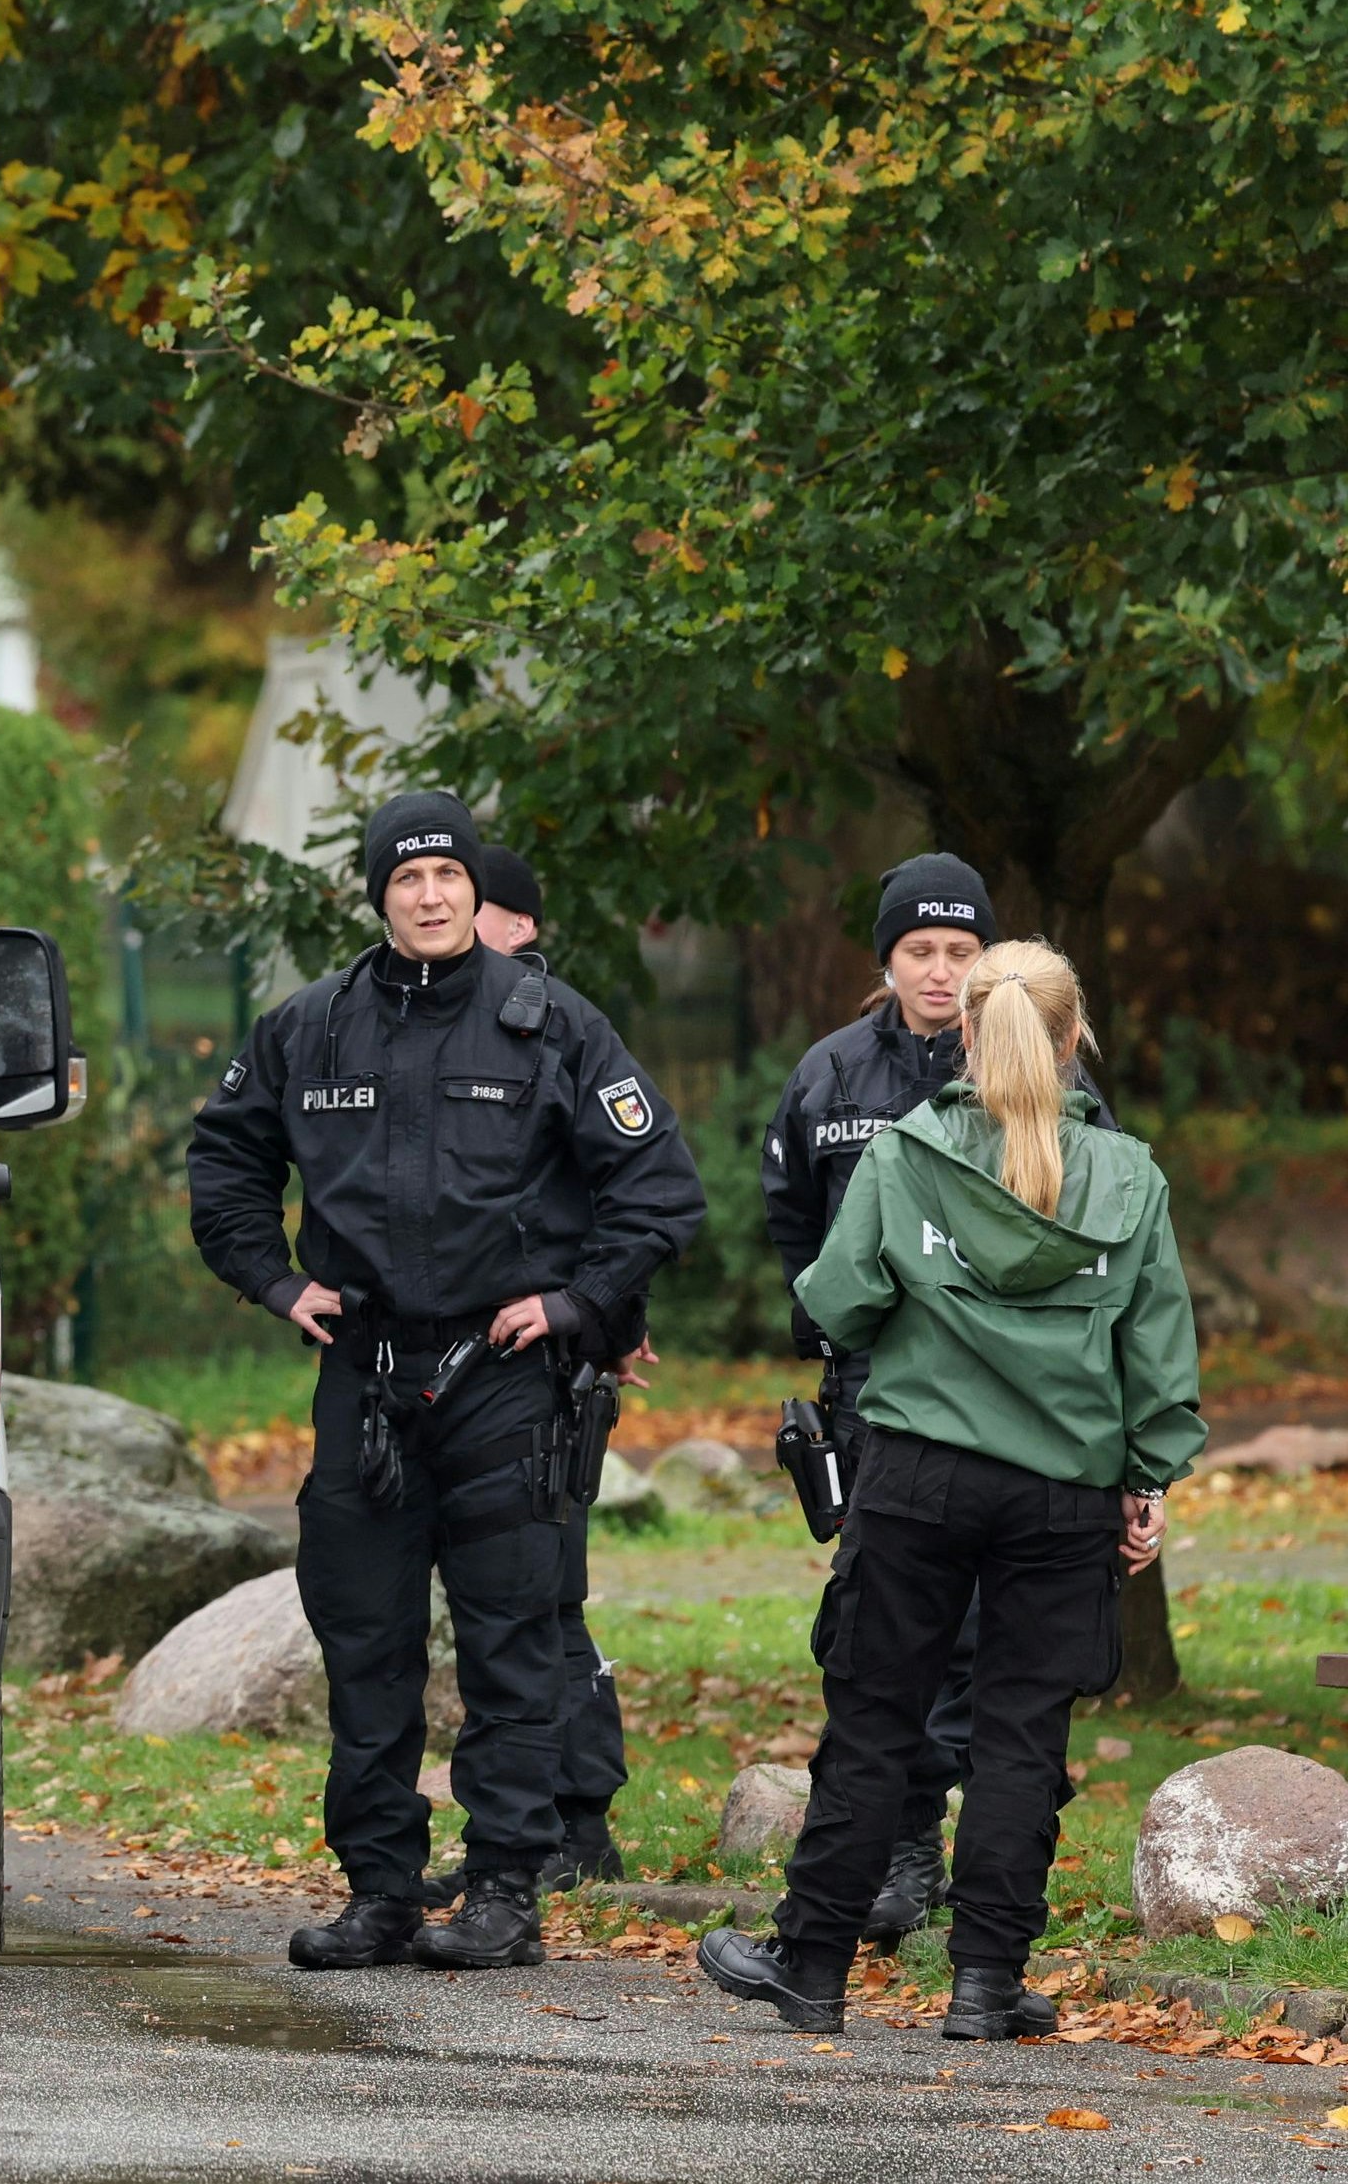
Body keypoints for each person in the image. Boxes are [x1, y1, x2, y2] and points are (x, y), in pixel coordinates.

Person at [191, 796, 705, 1971]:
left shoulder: (552, 1022)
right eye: (406, 877)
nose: (428, 895)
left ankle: (503, 1892)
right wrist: (274, 1281)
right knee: (364, 1644)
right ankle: (379, 1891)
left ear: (475, 891)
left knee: (511, 1644)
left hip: (502, 1383)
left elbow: (656, 1189)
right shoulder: (310, 1027)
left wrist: (575, 1305)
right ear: (377, 894)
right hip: (364, 1379)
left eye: (447, 876)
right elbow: (223, 1158)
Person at [702, 941, 1199, 2037]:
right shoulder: (1129, 1175)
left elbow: (837, 1303)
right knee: (1021, 1735)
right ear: (1072, 1038)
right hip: (1064, 1488)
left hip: (919, 1473)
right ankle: (984, 1982)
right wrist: (1146, 1480)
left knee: (875, 1717)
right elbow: (1159, 1359)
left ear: (965, 1032)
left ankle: (812, 1964)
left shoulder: (906, 1152)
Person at [758, 853, 1110, 1946]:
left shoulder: (1051, 1078)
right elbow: (793, 1220)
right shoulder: (829, 1075)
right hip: (879, 1397)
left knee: (997, 1644)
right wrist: (831, 1325)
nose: (941, 970)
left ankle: (985, 1877)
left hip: (1017, 1405)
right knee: (882, 1637)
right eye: (920, 949)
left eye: (962, 950)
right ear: (888, 960)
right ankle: (903, 1853)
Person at [472, 845, 630, 1888]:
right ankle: (546, 1823)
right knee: (525, 1599)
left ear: (520, 925)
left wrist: (607, 1318)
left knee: (546, 1597)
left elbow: (622, 1190)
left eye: (470, 901)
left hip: (550, 1363)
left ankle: (579, 1824)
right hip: (485, 1366)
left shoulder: (556, 1029)